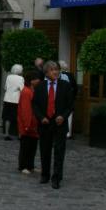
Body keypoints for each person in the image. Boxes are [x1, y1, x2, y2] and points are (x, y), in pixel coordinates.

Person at [32, 60, 74, 189]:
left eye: (57, 69)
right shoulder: (40, 86)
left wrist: (63, 116)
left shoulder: (65, 85)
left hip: (59, 123)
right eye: (52, 70)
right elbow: (35, 104)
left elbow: (70, 104)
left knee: (59, 151)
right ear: (46, 72)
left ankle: (56, 178)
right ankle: (45, 175)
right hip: (45, 123)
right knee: (45, 150)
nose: (55, 72)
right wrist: (41, 117)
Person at [17, 70, 40, 174]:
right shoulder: (26, 92)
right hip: (28, 124)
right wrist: (27, 124)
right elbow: (26, 110)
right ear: (32, 81)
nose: (38, 80)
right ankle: (23, 166)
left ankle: (30, 165)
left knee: (32, 146)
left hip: (33, 123)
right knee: (26, 146)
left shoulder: (31, 90)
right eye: (36, 79)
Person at [2, 64, 24, 140]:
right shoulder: (21, 78)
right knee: (18, 117)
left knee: (7, 117)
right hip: (16, 100)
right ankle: (19, 135)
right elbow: (22, 89)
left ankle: (6, 134)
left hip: (7, 99)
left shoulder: (8, 77)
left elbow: (5, 88)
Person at [59, 60, 77, 138]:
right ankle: (68, 133)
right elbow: (74, 87)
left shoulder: (65, 76)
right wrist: (73, 96)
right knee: (68, 115)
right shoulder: (69, 75)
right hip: (68, 99)